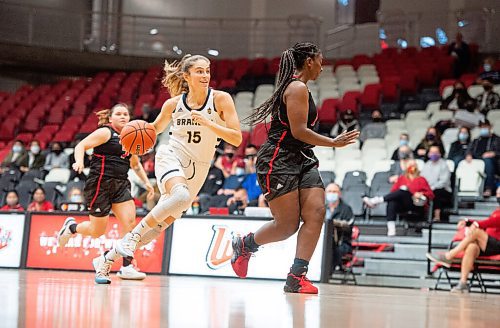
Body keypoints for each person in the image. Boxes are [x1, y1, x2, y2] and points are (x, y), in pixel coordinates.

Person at [94, 54, 243, 284]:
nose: (205, 75)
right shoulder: (174, 104)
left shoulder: (221, 100)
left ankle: (105, 258)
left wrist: (209, 123)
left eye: (207, 70)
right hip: (171, 156)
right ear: (187, 76)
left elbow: (236, 138)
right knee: (180, 195)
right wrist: (132, 140)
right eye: (199, 71)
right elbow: (152, 132)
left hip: (199, 168)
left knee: (153, 231)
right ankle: (130, 240)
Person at [230, 42, 359, 294]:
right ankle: (245, 245)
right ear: (309, 61)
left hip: (302, 157)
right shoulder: (297, 87)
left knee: (317, 211)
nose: (323, 66)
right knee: (287, 226)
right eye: (320, 61)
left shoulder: (302, 88)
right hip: (278, 159)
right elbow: (299, 131)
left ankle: (296, 277)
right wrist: (332, 142)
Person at [57, 104, 154, 282]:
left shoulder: (131, 137)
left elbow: (135, 164)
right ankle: (71, 228)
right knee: (96, 231)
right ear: (111, 118)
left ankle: (127, 266)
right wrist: (79, 162)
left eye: (126, 114)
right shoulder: (105, 133)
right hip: (99, 185)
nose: (123, 117)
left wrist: (147, 184)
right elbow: (81, 146)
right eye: (118, 114)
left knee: (131, 226)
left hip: (121, 186)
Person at [426, 187, 500, 293]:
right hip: (488, 244)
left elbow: (493, 222)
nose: (498, 196)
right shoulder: (497, 211)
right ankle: (463, 283)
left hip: (497, 245)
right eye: (497, 193)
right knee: (472, 247)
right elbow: (487, 222)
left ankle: (449, 256)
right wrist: (468, 222)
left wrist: (476, 224)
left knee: (476, 232)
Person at [363, 159, 434, 236]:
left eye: (413, 165)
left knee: (403, 190)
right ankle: (391, 228)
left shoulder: (421, 179)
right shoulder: (401, 178)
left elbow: (431, 194)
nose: (412, 167)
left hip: (416, 204)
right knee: (393, 201)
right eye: (410, 165)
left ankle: (376, 200)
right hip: (403, 205)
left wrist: (421, 193)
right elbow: (393, 192)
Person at [324, 183, 354, 272]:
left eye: (334, 191)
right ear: (325, 193)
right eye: (329, 191)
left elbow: (348, 226)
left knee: (332, 249)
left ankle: (328, 272)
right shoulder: (321, 208)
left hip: (342, 243)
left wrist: (334, 223)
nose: (332, 193)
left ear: (339, 193)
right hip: (324, 241)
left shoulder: (346, 209)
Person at [466, 119, 499, 197]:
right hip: (477, 159)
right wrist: (469, 155)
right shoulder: (476, 140)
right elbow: (469, 150)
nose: (483, 129)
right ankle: (469, 189)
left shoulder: (497, 139)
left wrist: (493, 153)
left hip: (492, 161)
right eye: (482, 127)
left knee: (487, 162)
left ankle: (488, 188)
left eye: (485, 126)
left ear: (490, 127)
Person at [421, 146, 452, 222]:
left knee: (436, 192)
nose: (434, 154)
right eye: (432, 152)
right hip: (428, 188)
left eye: (436, 152)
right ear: (428, 154)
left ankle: (437, 215)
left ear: (439, 154)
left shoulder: (444, 165)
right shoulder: (427, 165)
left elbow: (444, 181)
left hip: (442, 189)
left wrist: (433, 187)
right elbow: (422, 178)